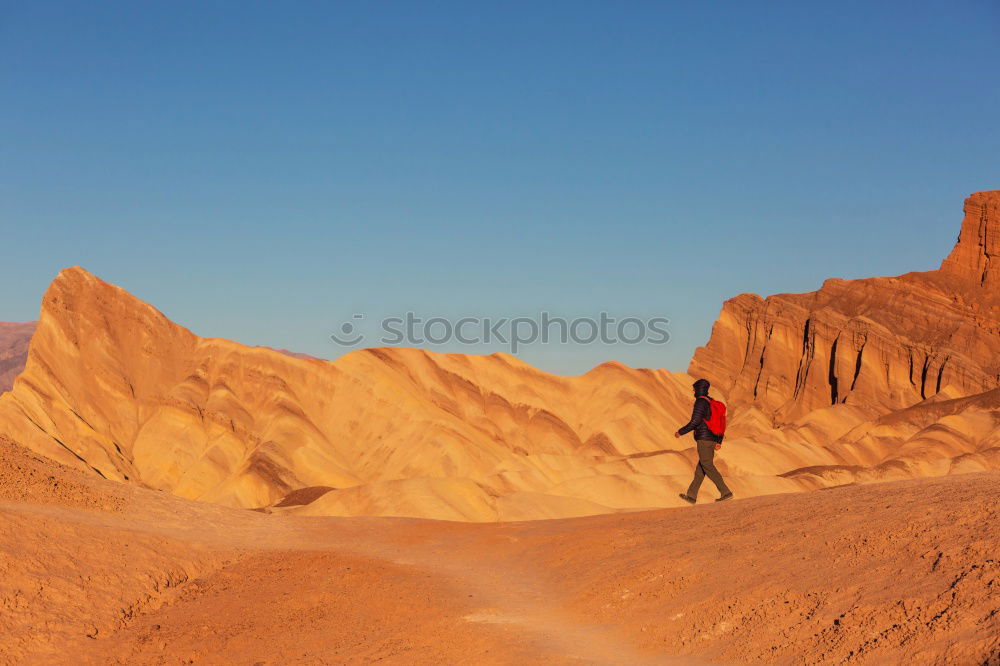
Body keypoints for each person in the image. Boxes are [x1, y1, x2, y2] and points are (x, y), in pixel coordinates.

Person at [674, 378, 733, 504]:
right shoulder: (711, 401)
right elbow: (722, 423)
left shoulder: (701, 402)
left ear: (698, 389)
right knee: (701, 469)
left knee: (707, 466)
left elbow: (695, 421)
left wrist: (680, 432)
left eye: (694, 388)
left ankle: (726, 492)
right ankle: (691, 496)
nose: (693, 391)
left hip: (704, 440)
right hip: (712, 439)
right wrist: (718, 441)